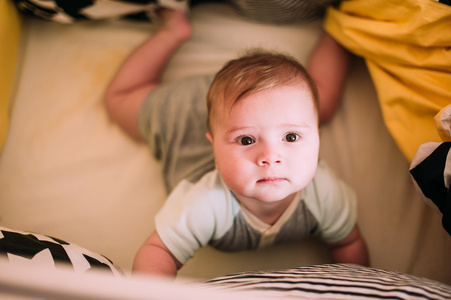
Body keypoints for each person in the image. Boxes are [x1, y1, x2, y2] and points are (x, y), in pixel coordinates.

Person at [104, 9, 369, 278]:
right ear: (214, 152)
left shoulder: (325, 195)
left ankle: (341, 26)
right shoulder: (204, 204)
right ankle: (173, 31)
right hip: (186, 113)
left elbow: (347, 243)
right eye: (246, 140)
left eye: (291, 137)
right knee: (118, 98)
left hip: (249, 107)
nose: (270, 156)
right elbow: (159, 251)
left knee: (320, 103)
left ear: (317, 142)